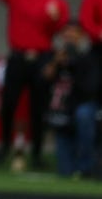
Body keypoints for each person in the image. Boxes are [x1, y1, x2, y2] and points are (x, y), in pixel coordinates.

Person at [0, 0, 70, 169]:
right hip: (18, 56)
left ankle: (38, 154)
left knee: (38, 108)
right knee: (9, 104)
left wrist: (54, 18)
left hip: (42, 58)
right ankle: (4, 146)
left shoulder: (56, 2)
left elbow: (61, 30)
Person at [43, 22, 100, 178]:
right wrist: (58, 61)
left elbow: (90, 88)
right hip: (61, 111)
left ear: (81, 36)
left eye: (74, 33)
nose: (70, 37)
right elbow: (44, 78)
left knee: (84, 114)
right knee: (65, 172)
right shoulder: (55, 55)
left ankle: (86, 166)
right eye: (67, 33)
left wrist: (74, 64)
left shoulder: (88, 57)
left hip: (81, 107)